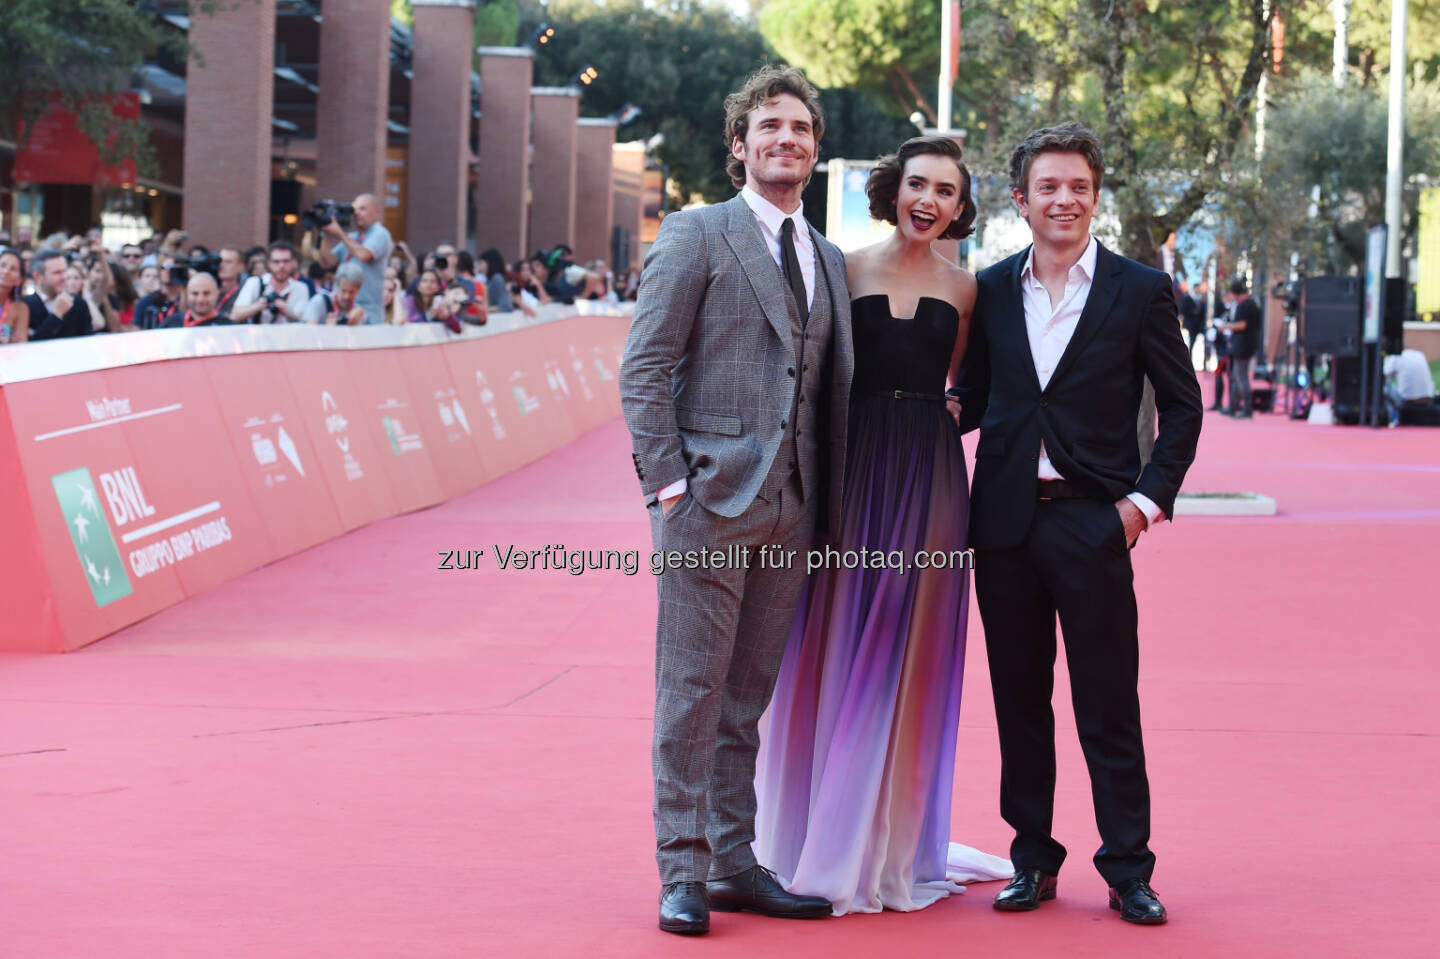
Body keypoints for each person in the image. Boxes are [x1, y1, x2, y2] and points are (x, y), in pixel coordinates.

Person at [619, 64, 853, 937]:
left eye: (799, 128)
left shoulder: (827, 257)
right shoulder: (697, 233)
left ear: (815, 148)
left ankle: (733, 860)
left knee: (746, 699)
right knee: (691, 691)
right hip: (708, 503)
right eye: (769, 127)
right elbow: (643, 368)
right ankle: (681, 871)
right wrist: (670, 486)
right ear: (740, 146)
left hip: (794, 508)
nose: (785, 139)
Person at [952, 122, 1202, 925]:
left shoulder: (1139, 289)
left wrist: (1142, 505)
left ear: (1096, 195)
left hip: (1095, 524)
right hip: (1003, 531)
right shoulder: (989, 289)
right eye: (1048, 187)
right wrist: (899, 410)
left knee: (1106, 703)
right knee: (1019, 702)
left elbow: (1183, 408)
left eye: (1079, 186)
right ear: (1020, 200)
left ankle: (1129, 867)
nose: (1065, 199)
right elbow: (979, 398)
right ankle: (1032, 858)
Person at [754, 134, 1011, 915]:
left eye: (948, 192)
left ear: (962, 208)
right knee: (832, 632)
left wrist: (942, 420)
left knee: (905, 642)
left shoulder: (967, 290)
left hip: (929, 476)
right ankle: (817, 831)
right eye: (919, 184)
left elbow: (970, 386)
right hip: (851, 467)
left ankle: (886, 842)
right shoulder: (841, 265)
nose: (930, 200)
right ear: (894, 188)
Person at [316, 193, 392, 324]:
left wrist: (339, 233)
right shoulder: (352, 237)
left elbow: (364, 255)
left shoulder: (380, 233)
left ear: (377, 212)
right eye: (355, 209)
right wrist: (326, 233)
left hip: (368, 310)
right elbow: (327, 262)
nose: (356, 213)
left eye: (362, 209)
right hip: (342, 307)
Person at [23, 249, 95, 340]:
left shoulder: (78, 303)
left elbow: (88, 341)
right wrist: (56, 315)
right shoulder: (25, 305)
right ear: (38, 277)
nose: (64, 277)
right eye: (57, 273)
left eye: (64, 271)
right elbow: (30, 345)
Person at [231, 242, 309, 324]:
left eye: (286, 261)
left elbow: (303, 320)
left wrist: (286, 310)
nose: (281, 266)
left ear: (294, 263)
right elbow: (234, 316)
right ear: (268, 263)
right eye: (276, 261)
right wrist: (258, 306)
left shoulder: (301, 288)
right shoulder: (255, 282)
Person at [1216, 278, 1258, 418]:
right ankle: (1234, 406)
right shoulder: (1251, 304)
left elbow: (1242, 325)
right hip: (1245, 344)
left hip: (1242, 344)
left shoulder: (1245, 305)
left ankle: (1246, 408)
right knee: (1236, 376)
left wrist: (1226, 326)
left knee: (1241, 377)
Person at [302, 261, 367, 326]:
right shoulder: (319, 302)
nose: (346, 296)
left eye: (351, 292)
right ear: (337, 286)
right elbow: (309, 330)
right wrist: (329, 330)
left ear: (359, 289)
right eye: (343, 291)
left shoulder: (357, 312)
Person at [161, 272, 234, 328]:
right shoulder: (171, 323)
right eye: (195, 294)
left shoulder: (228, 327)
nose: (200, 299)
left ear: (217, 294)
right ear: (187, 294)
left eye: (206, 293)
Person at [0, 248, 32, 344]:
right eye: (2, 265)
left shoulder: (21, 308)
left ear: (19, 280)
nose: (6, 271)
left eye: (13, 269)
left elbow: (21, 344)